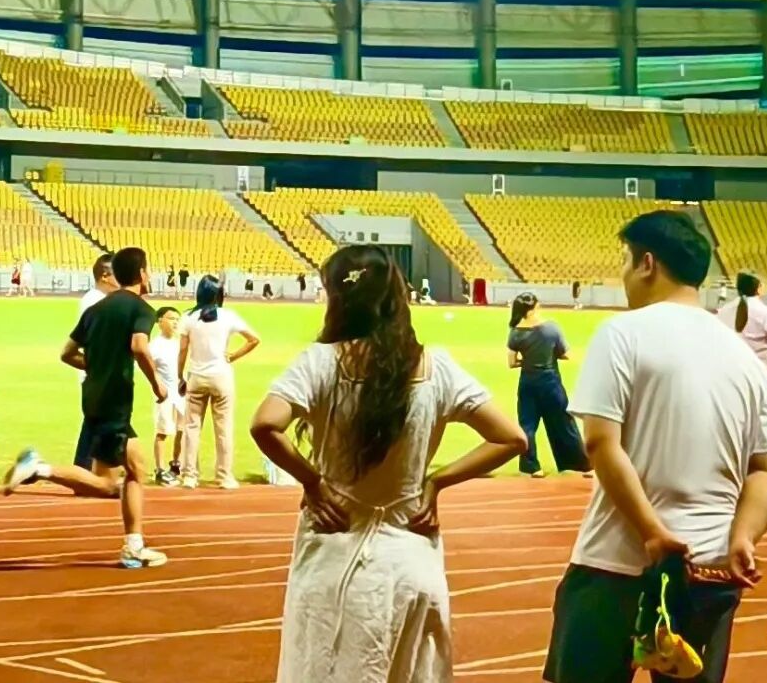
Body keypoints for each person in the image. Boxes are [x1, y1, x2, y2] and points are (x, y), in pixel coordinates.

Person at [249, 244, 527, 683]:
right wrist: (435, 482)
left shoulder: (321, 362)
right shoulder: (437, 366)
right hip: (410, 553)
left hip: (334, 549)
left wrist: (313, 482)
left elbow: (265, 424)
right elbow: (511, 438)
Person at [544, 211, 767, 683]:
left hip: (615, 566)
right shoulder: (744, 358)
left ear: (647, 263)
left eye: (625, 260)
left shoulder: (622, 334)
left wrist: (652, 533)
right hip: (709, 570)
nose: (623, 274)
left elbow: (600, 442)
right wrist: (745, 536)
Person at [3, 247, 169, 569]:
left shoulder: (96, 309)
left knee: (136, 468)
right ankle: (40, 469)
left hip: (93, 396)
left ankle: (134, 545)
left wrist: (96, 366)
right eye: (148, 270)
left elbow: (67, 353)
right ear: (142, 273)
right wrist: (157, 384)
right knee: (106, 483)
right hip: (115, 401)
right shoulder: (141, 309)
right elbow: (139, 346)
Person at [178, 274, 260, 490]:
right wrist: (232, 356)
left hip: (196, 376)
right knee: (223, 429)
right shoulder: (228, 316)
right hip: (221, 376)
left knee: (191, 428)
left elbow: (183, 350)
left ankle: (189, 476)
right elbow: (254, 339)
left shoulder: (188, 317)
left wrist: (179, 376)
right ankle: (224, 476)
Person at [507, 293, 589, 479]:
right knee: (564, 423)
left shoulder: (515, 333)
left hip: (528, 382)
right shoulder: (551, 328)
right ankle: (579, 464)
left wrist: (528, 361)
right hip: (550, 381)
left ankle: (531, 467)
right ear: (532, 309)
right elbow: (566, 353)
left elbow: (511, 363)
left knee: (527, 425)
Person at [717, 271, 767, 401]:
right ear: (759, 288)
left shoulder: (724, 311)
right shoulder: (766, 313)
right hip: (763, 379)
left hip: (733, 379)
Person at [73, 253, 117, 471]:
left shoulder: (95, 299)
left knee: (95, 427)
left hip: (98, 373)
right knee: (95, 427)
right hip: (98, 375)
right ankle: (83, 472)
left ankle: (87, 472)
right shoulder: (96, 301)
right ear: (105, 276)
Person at [150, 307, 184, 487]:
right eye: (171, 319)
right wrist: (158, 387)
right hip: (164, 395)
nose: (175, 323)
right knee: (163, 431)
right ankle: (159, 469)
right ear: (159, 321)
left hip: (181, 394)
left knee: (182, 430)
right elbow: (148, 369)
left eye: (177, 319)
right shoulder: (154, 346)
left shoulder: (179, 343)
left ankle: (176, 465)